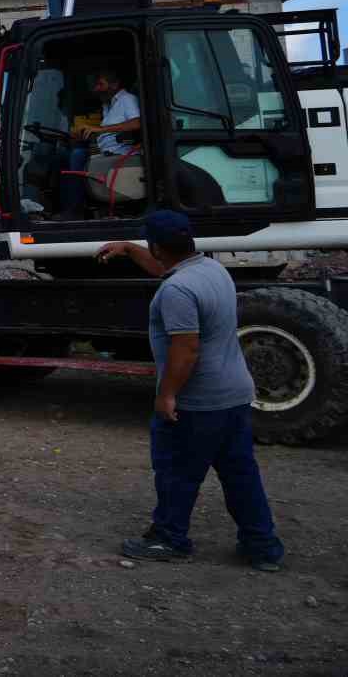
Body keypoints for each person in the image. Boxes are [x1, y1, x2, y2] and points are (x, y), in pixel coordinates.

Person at [97, 210, 284, 571]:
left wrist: (167, 395)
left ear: (158, 246)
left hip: (199, 402)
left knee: (176, 472)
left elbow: (186, 350)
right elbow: (162, 267)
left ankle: (169, 538)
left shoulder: (177, 290)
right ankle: (263, 548)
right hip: (235, 395)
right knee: (240, 474)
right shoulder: (211, 270)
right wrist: (130, 249)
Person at [59, 67, 141, 218]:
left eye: (100, 84)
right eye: (95, 85)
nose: (96, 89)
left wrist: (98, 129)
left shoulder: (127, 99)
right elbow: (107, 134)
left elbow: (137, 123)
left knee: (77, 155)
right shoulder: (107, 106)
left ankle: (75, 210)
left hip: (121, 156)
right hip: (105, 154)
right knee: (63, 156)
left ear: (115, 84)